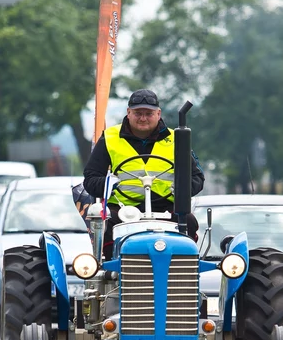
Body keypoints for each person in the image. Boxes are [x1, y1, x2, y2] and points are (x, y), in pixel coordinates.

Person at [82, 89, 205, 259]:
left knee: (188, 221)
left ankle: (184, 266)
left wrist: (181, 189)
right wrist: (109, 184)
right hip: (122, 208)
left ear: (158, 114)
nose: (143, 118)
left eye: (148, 113)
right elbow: (90, 178)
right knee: (106, 224)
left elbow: (197, 177)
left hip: (165, 207)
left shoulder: (177, 139)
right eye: (138, 113)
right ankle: (112, 270)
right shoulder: (110, 138)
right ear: (128, 113)